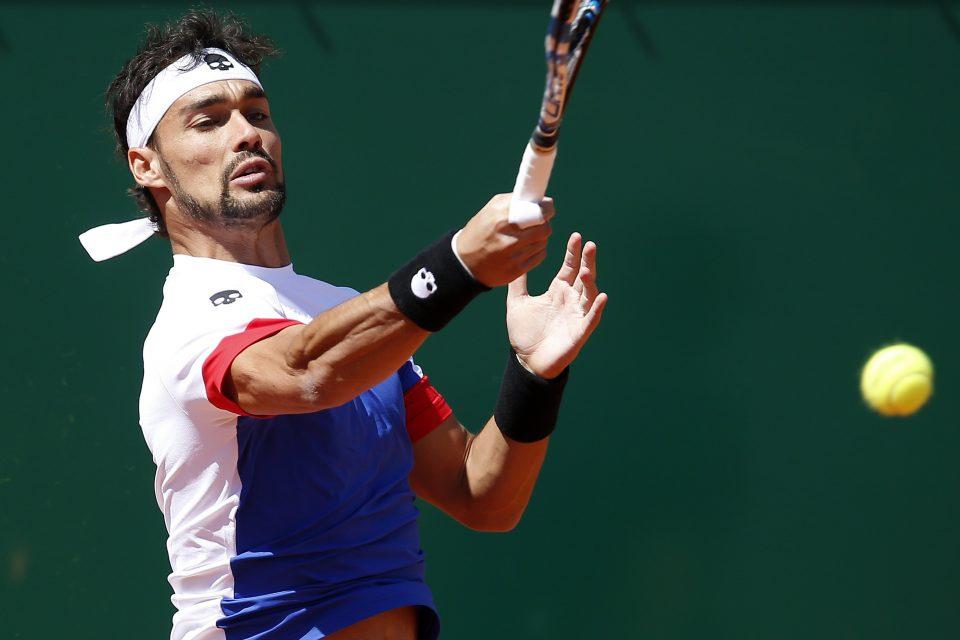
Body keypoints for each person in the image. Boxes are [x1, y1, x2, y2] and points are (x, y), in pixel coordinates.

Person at [81, 9, 606, 640]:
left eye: (257, 113)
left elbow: (480, 494)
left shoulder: (345, 313)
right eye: (209, 121)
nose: (246, 134)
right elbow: (306, 372)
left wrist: (534, 375)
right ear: (147, 166)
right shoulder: (188, 321)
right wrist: (459, 263)